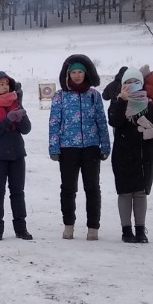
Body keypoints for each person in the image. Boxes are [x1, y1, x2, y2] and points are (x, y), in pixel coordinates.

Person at [48, 55, 110, 239]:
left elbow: (101, 120)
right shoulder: (60, 96)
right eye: (73, 72)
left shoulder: (94, 95)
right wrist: (54, 147)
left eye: (80, 72)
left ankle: (93, 227)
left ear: (86, 73)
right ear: (67, 75)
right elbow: (54, 122)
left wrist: (105, 145)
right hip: (68, 148)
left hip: (91, 147)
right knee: (68, 188)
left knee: (92, 187)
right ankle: (69, 224)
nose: (76, 75)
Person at [108, 68, 153, 242]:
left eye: (135, 82)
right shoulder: (117, 103)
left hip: (143, 156)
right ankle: (126, 230)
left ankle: (140, 229)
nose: (131, 86)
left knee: (140, 193)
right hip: (123, 155)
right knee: (124, 193)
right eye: (128, 82)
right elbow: (115, 121)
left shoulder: (149, 105)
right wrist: (122, 101)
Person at [0, 70, 32, 240]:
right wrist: (8, 120)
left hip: (17, 154)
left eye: (7, 84)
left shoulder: (15, 103)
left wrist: (20, 116)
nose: (5, 86)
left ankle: (21, 228)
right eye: (1, 84)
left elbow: (26, 129)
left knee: (18, 192)